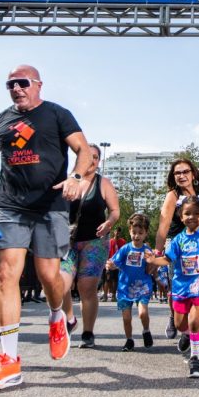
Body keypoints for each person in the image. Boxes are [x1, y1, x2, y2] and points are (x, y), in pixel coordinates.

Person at [0, 64, 95, 390]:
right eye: (10, 84)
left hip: (51, 205)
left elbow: (82, 149)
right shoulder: (1, 121)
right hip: (9, 205)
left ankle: (57, 316)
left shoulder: (56, 114)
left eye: (22, 83)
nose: (16, 88)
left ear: (37, 84)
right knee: (6, 274)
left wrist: (78, 177)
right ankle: (9, 361)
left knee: (49, 276)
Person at [147, 196, 199, 378]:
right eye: (187, 214)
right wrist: (152, 260)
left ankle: (195, 359)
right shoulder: (178, 239)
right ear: (181, 217)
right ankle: (187, 335)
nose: (192, 217)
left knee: (195, 322)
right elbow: (167, 259)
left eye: (196, 213)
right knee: (181, 324)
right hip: (181, 288)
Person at [60, 144, 121, 349]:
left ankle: (88, 332)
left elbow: (114, 211)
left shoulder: (103, 183)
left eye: (96, 157)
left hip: (95, 241)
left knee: (86, 287)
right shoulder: (69, 181)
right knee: (60, 283)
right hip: (68, 241)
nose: (92, 160)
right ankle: (70, 319)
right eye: (88, 156)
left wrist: (109, 223)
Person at [157, 157, 199, 340]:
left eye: (185, 171)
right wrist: (157, 253)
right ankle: (174, 315)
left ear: (193, 174)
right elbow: (163, 224)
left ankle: (195, 332)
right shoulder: (173, 196)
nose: (181, 176)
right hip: (177, 244)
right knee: (178, 285)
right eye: (177, 173)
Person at [106, 213, 155, 351]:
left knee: (142, 313)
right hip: (125, 287)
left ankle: (146, 330)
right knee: (126, 318)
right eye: (134, 232)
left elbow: (152, 266)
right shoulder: (125, 249)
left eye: (140, 233)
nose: (137, 236)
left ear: (146, 234)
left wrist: (153, 266)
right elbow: (115, 262)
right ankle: (129, 340)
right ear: (129, 231)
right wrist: (110, 265)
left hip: (142, 286)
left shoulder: (147, 250)